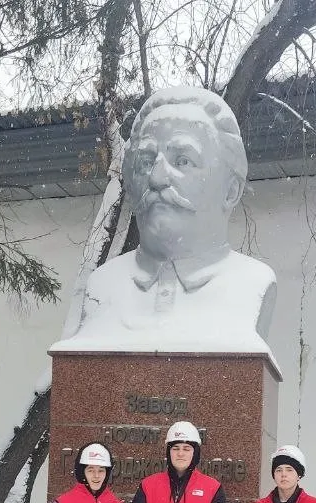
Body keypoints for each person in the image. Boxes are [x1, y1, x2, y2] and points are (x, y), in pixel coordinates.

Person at [58, 86, 277, 354]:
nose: (157, 178)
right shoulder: (101, 287)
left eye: (183, 160)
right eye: (147, 161)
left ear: (230, 191)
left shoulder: (252, 285)